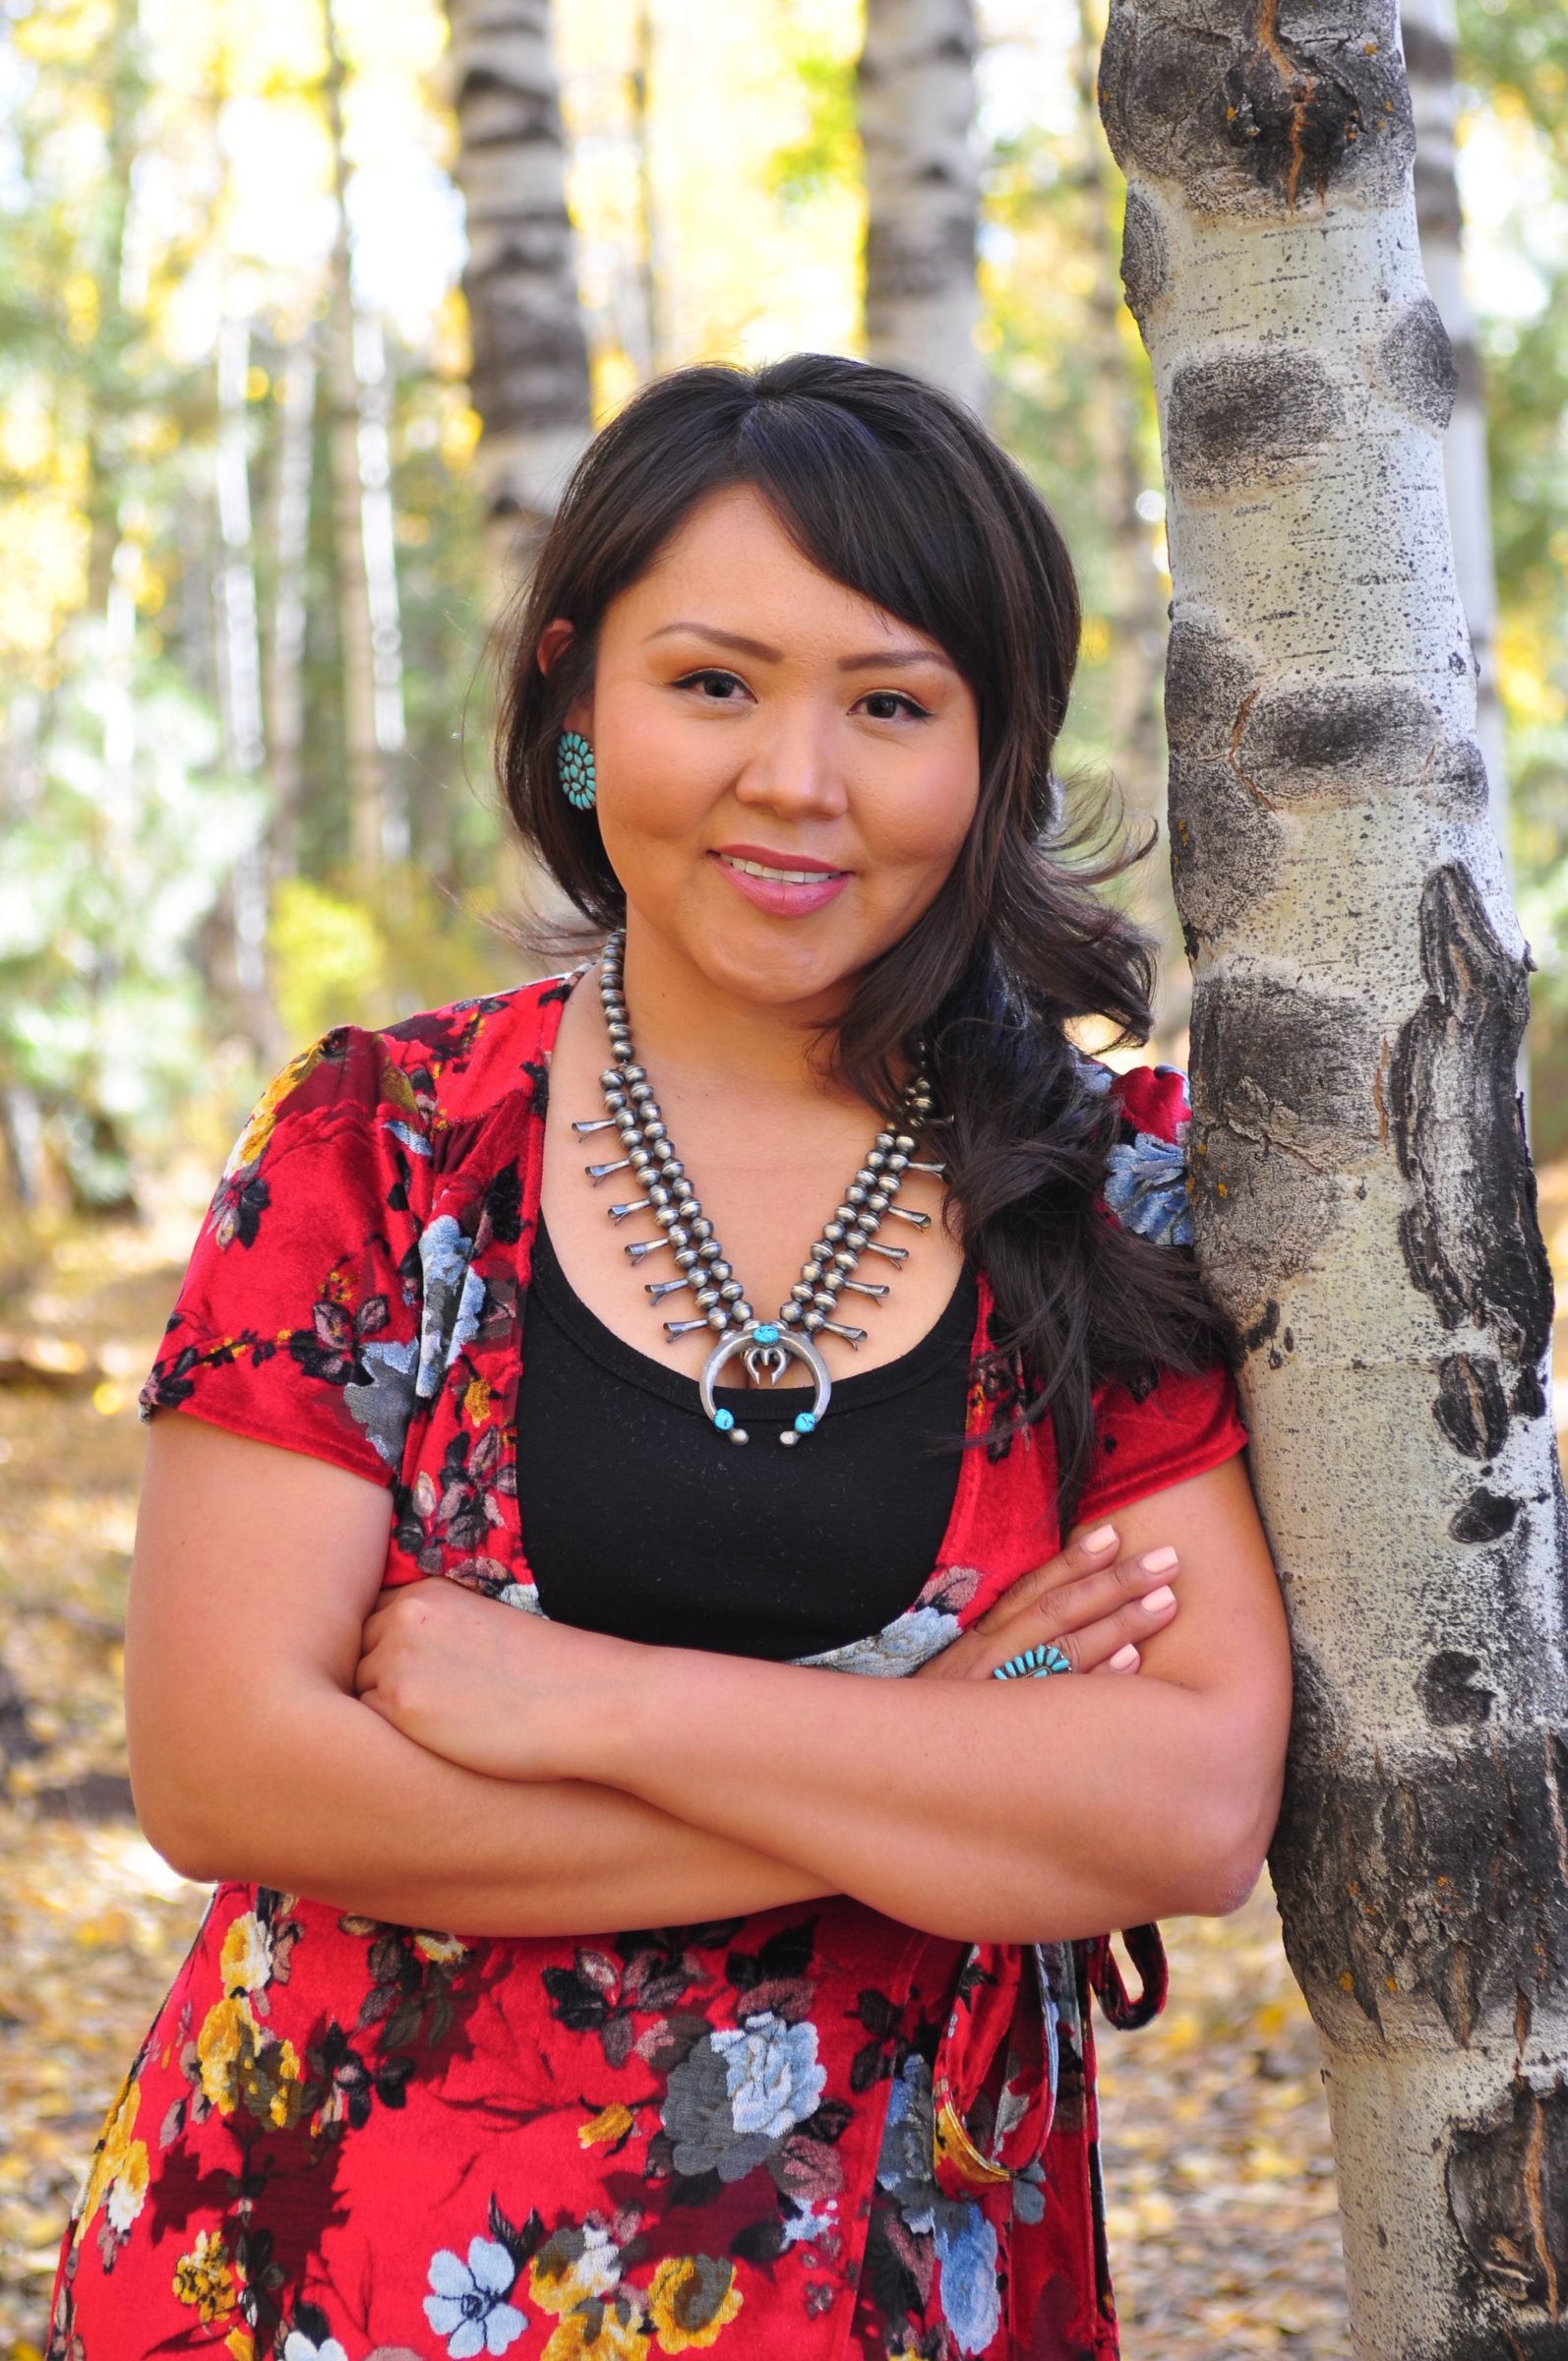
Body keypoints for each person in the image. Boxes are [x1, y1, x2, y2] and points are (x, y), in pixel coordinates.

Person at [50, 354, 1292, 2361]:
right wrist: (933, 1765)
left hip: (895, 2296)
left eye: (888, 704)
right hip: (325, 2280)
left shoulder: (1105, 1199)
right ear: (574, 700)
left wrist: (574, 1697)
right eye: (711, 683)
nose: (791, 779)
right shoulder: (378, 1148)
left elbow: (1179, 1809)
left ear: (991, 752)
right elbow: (226, 1768)